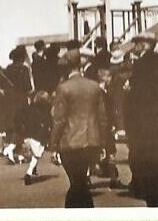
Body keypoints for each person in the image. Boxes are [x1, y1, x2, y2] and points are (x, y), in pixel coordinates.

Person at [124, 31, 158, 208]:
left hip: (145, 121)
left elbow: (136, 97)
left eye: (137, 43)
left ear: (144, 45)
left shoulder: (140, 66)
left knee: (148, 159)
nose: (135, 46)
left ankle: (155, 197)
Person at [48, 49, 109, 208]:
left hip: (70, 143)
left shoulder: (63, 88)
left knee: (76, 184)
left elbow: (59, 120)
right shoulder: (94, 86)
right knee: (80, 182)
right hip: (92, 140)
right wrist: (103, 143)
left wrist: (53, 145)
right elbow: (103, 118)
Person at [1, 46, 33, 163]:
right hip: (21, 100)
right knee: (21, 126)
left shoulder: (7, 69)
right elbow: (28, 87)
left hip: (9, 101)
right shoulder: (24, 69)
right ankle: (15, 150)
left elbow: (3, 85)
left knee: (11, 125)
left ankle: (11, 149)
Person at [15, 90, 52, 185]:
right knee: (36, 156)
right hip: (38, 137)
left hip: (27, 135)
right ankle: (29, 172)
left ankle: (33, 168)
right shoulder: (45, 113)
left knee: (32, 153)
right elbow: (46, 126)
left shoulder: (29, 109)